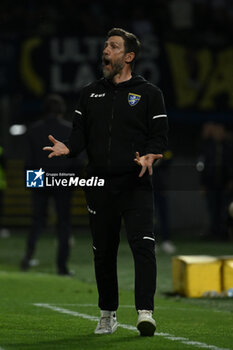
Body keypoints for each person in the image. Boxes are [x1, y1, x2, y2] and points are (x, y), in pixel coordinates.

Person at [43, 28, 168, 336]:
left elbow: (159, 137)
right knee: (103, 250)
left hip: (135, 181)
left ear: (128, 56)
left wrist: (151, 155)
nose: (105, 51)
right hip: (98, 182)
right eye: (105, 46)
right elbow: (79, 135)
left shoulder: (150, 93)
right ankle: (107, 313)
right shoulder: (89, 93)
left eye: (113, 46)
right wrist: (68, 147)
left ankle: (145, 312)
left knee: (144, 247)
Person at [21, 94, 75, 275]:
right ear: (62, 110)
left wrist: (31, 184)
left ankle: (27, 258)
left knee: (37, 221)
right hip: (63, 179)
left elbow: (29, 160)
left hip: (39, 178)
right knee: (64, 223)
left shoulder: (34, 129)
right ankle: (62, 266)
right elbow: (77, 159)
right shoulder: (70, 129)